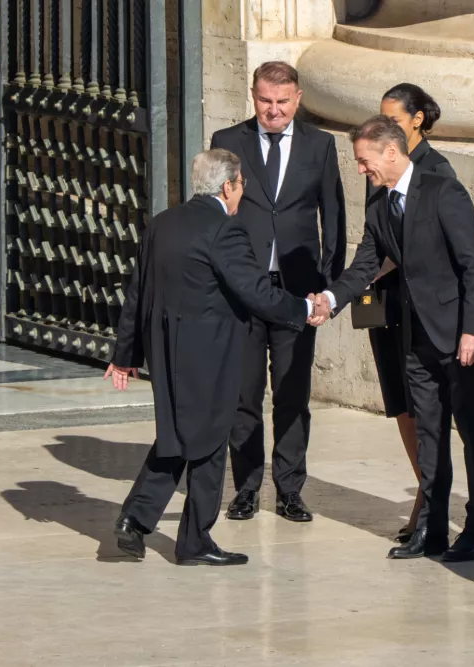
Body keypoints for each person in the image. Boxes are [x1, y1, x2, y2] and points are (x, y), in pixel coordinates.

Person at [105, 149, 318, 566]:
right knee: (209, 439)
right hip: (210, 350)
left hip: (165, 348)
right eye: (241, 186)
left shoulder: (162, 223)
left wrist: (125, 353)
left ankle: (136, 517)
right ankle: (193, 540)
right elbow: (256, 292)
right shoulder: (226, 230)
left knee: (180, 432)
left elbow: (138, 292)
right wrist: (306, 310)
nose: (241, 194)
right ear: (228, 186)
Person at [312, 115, 474, 562]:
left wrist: (473, 330)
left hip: (459, 337)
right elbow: (365, 265)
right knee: (430, 435)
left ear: (391, 152)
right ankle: (431, 530)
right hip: (415, 340)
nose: (360, 170)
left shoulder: (443, 192)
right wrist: (330, 299)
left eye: (363, 160)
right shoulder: (379, 206)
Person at [210, 61, 347, 524]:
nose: (273, 111)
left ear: (298, 99)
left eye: (282, 102)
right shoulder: (228, 142)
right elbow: (215, 216)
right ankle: (246, 488)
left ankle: (290, 489)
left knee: (292, 393)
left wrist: (327, 289)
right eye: (265, 101)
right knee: (244, 395)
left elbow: (335, 217)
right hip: (244, 289)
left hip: (297, 290)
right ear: (253, 97)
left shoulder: (321, 144)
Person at [367, 83, 456, 543]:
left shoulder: (438, 171)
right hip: (386, 301)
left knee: (424, 403)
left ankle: (429, 500)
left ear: (418, 119)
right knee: (399, 401)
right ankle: (423, 487)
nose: (387, 129)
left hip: (421, 307)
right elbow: (374, 232)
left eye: (395, 120)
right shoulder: (378, 163)